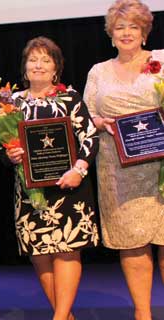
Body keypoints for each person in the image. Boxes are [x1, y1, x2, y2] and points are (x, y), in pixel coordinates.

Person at [0, 36, 100, 320]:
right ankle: (65, 315)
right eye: (33, 60)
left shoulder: (70, 98)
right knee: (40, 252)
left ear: (56, 67)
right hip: (30, 193)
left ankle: (59, 317)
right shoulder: (10, 102)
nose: (38, 65)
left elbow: (90, 137)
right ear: (24, 67)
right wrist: (9, 154)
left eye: (46, 60)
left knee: (66, 249)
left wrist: (78, 170)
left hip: (69, 187)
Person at [83, 1, 164, 319]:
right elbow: (86, 114)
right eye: (120, 27)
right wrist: (100, 122)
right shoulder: (98, 71)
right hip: (118, 167)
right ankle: (142, 313)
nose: (126, 32)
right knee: (133, 242)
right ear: (111, 35)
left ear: (144, 32)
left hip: (160, 166)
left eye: (133, 26)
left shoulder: (162, 61)